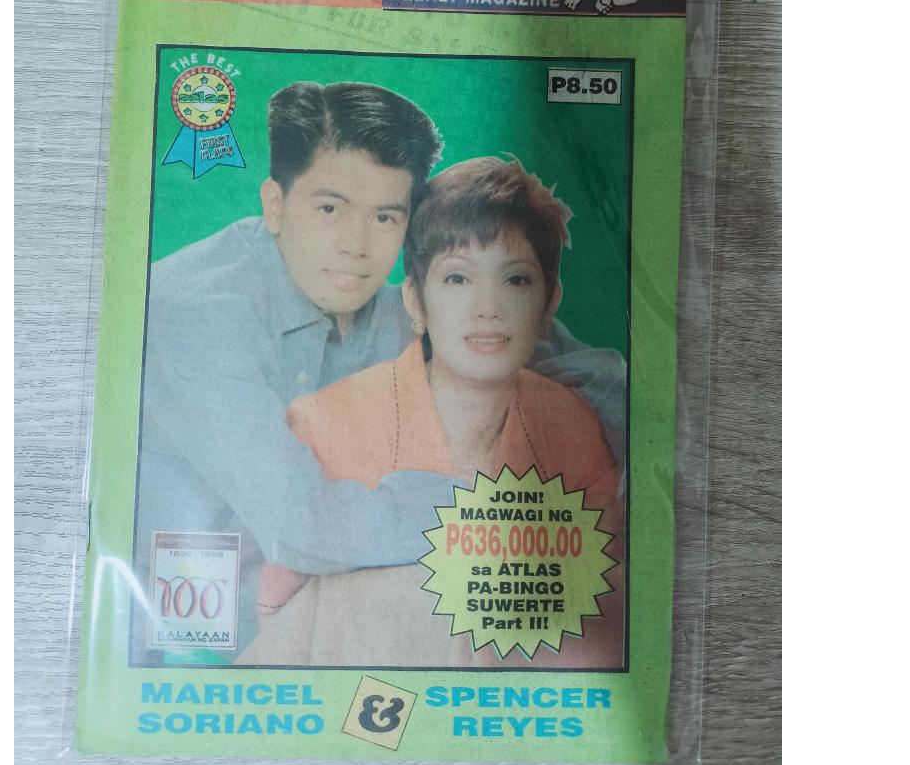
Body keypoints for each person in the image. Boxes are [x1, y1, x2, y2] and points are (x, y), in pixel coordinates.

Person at [135, 84, 626, 663]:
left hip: (348, 617)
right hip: (185, 639)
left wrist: (614, 485)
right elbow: (303, 526)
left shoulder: (402, 307)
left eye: (385, 216)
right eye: (329, 208)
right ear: (275, 204)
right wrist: (510, 509)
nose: (356, 245)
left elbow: (579, 366)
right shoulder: (196, 313)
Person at [244, 157, 623, 668]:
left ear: (549, 304)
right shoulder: (323, 427)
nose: (487, 307)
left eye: (515, 280)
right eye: (457, 278)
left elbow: (600, 612)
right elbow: (277, 620)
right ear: (416, 302)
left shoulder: (572, 427)